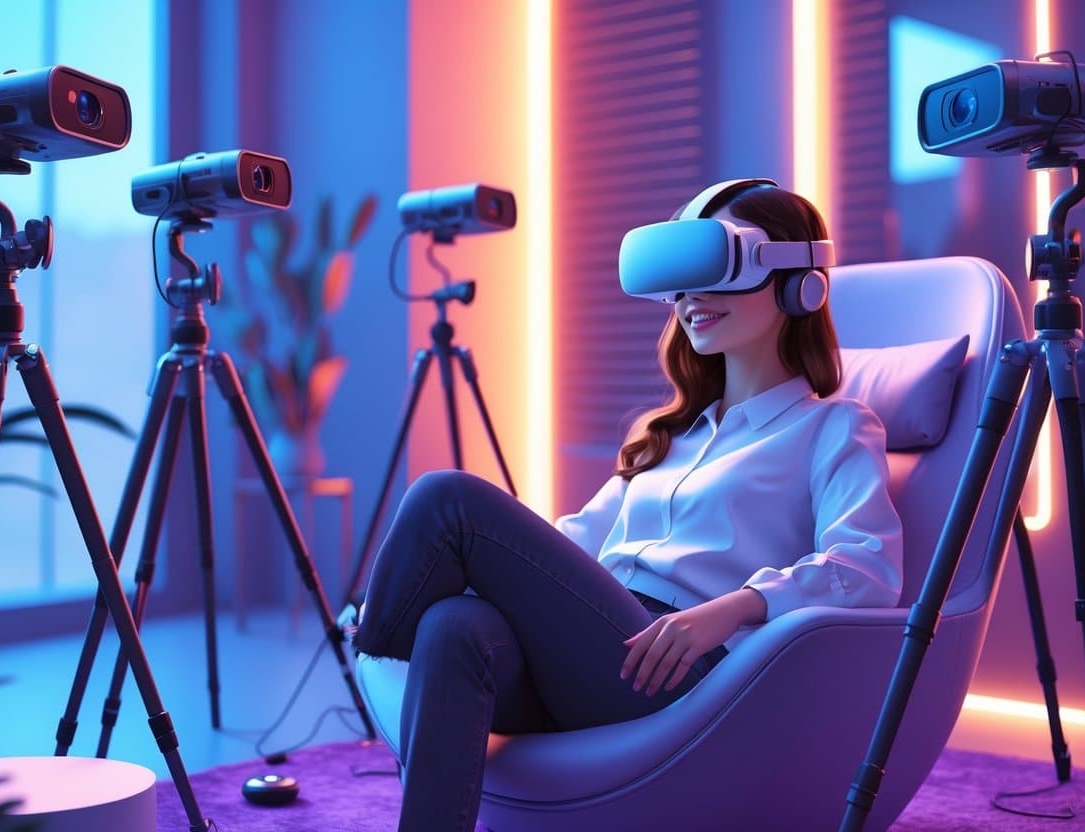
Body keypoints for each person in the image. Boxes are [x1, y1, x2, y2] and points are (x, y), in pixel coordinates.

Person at [351, 180, 904, 832]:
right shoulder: (667, 437)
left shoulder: (832, 426)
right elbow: (573, 542)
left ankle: (364, 643)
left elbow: (867, 568)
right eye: (680, 281)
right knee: (450, 625)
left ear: (796, 284)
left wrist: (729, 609)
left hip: (674, 669)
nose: (690, 299)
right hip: (590, 642)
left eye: (714, 271)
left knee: (446, 498)